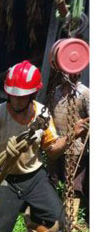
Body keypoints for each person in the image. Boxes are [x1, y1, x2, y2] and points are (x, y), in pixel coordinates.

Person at [0, 60, 68, 232]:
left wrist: (72, 136)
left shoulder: (42, 114)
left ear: (33, 94)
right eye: (13, 95)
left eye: (22, 96)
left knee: (60, 224)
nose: (16, 100)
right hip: (4, 179)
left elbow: (52, 151)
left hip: (34, 178)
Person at [47, 73, 89, 223]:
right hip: (57, 145)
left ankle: (70, 223)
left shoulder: (85, 93)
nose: (69, 75)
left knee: (73, 188)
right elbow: (49, 115)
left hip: (76, 149)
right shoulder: (56, 92)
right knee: (53, 181)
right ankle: (53, 218)